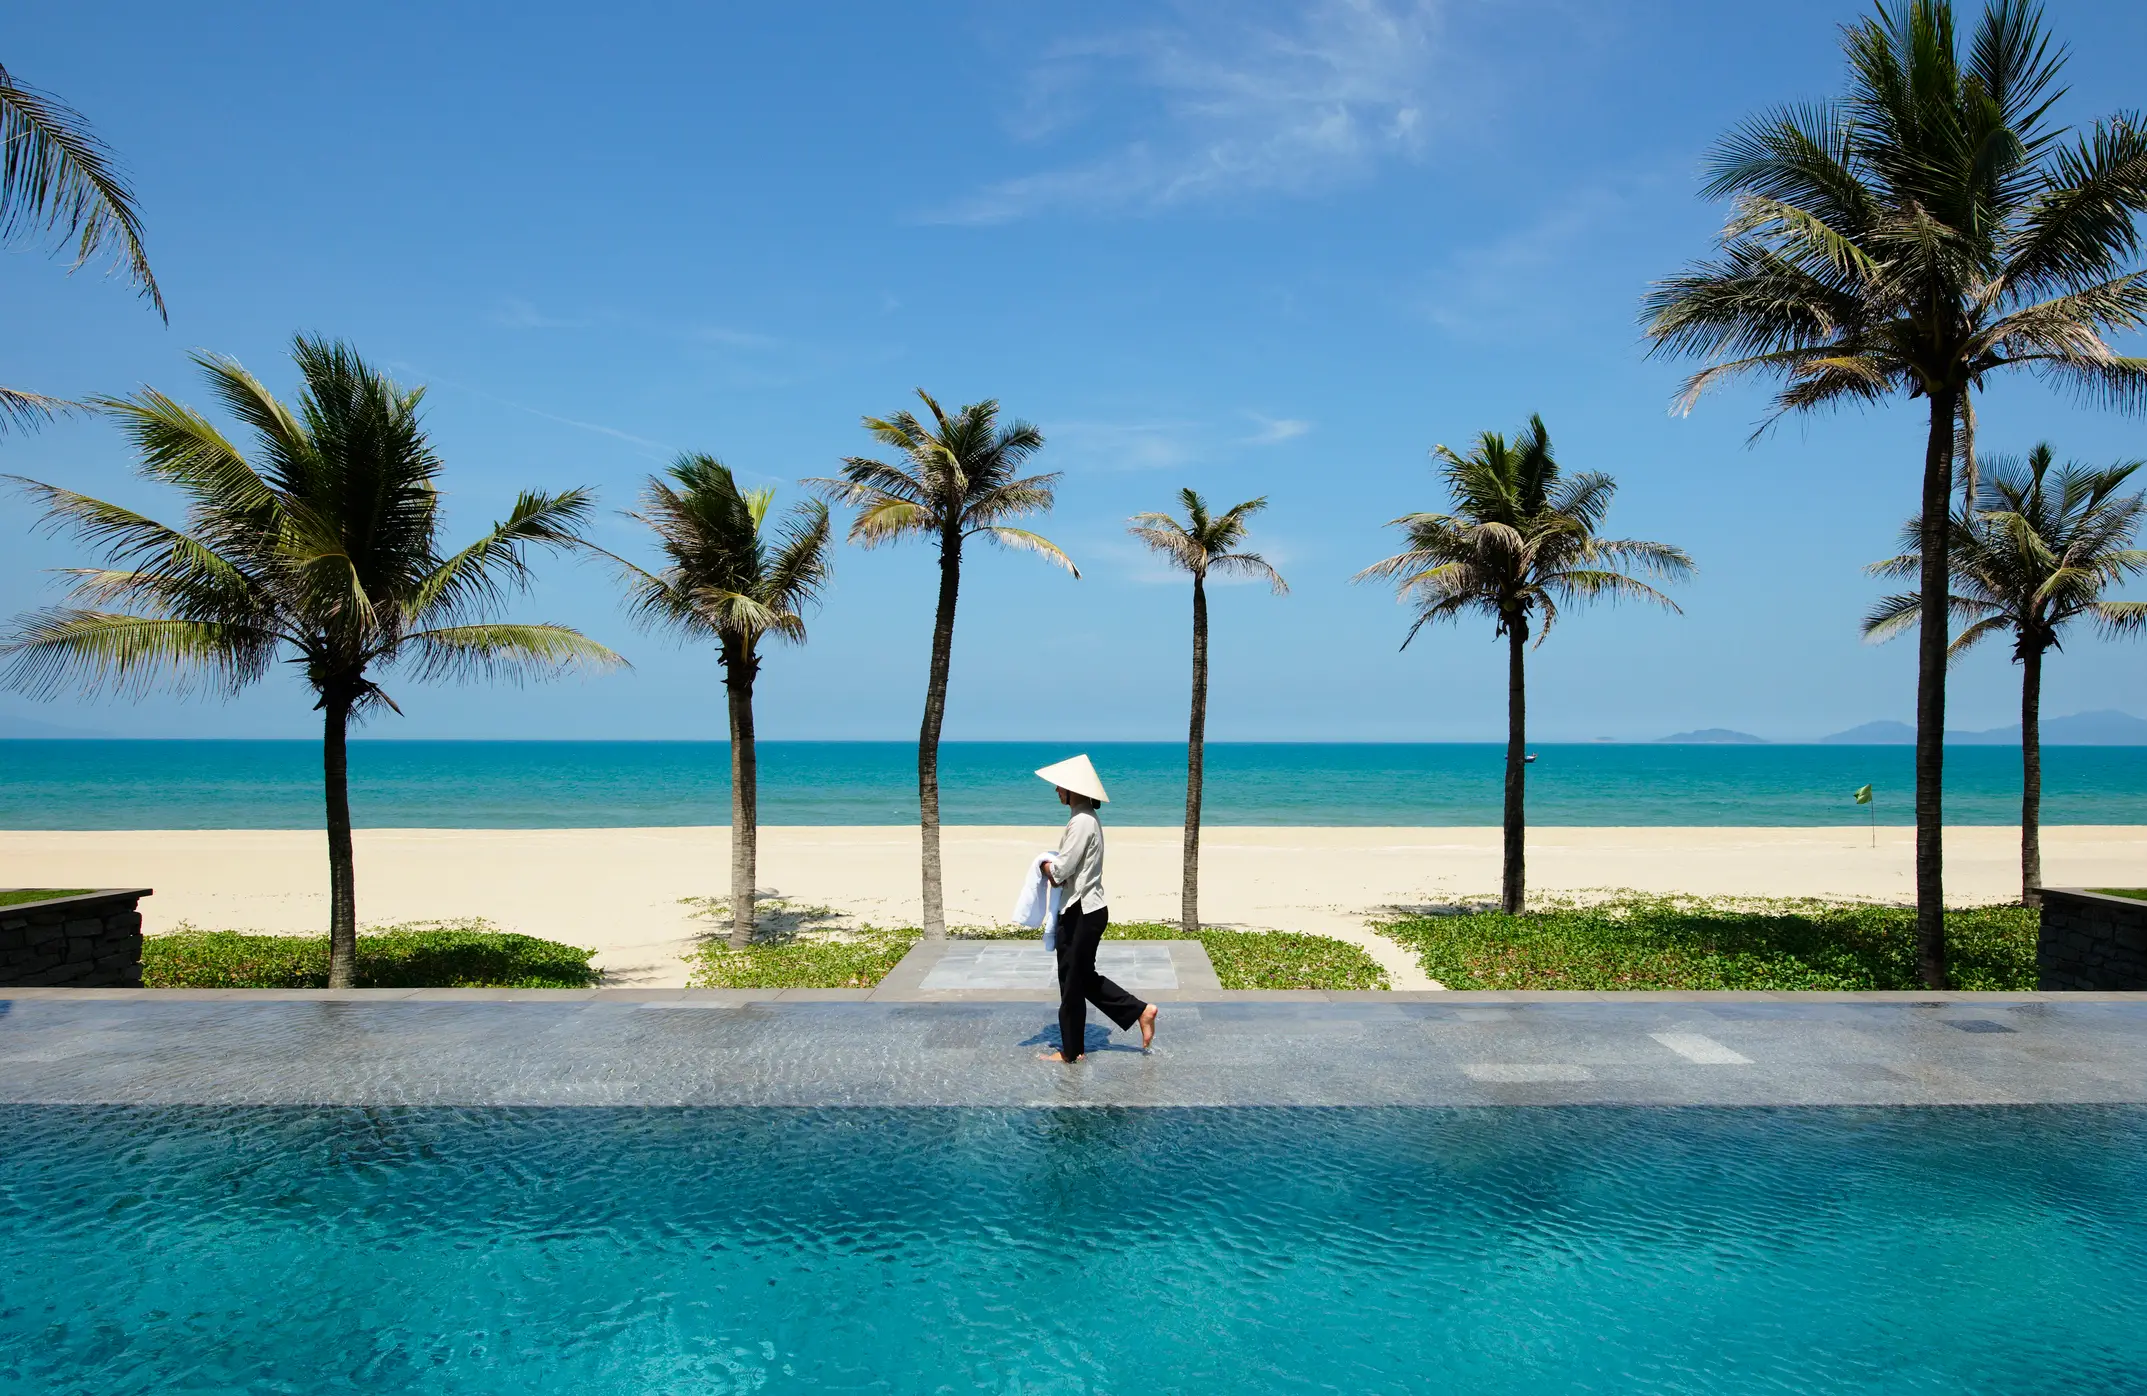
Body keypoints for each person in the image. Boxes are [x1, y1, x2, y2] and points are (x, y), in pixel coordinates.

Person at [1032, 754, 1158, 1063]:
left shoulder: (1082, 821)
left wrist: (1043, 864)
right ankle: (1140, 1011)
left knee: (1072, 983)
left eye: (1061, 786)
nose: (1057, 791)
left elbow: (1060, 872)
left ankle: (1071, 1052)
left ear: (1074, 790)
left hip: (1082, 911)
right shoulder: (1084, 818)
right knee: (1081, 978)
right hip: (1086, 910)